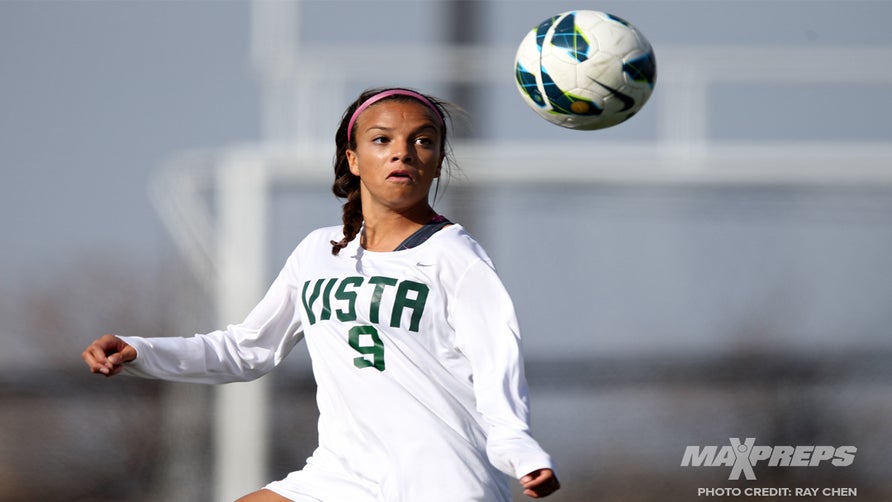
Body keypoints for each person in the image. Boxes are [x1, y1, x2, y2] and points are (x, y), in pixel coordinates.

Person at [82, 87, 560, 501]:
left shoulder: (457, 257)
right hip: (342, 475)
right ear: (352, 159)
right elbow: (247, 349)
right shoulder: (316, 252)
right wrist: (140, 351)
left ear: (437, 164)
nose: (404, 152)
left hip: (442, 478)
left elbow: (498, 366)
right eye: (382, 140)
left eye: (423, 141)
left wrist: (519, 449)